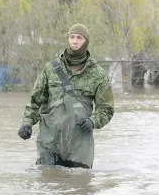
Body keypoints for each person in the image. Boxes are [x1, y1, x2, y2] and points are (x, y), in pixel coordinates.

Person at [17, 23, 114, 169]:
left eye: (79, 38)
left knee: (79, 186)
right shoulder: (50, 69)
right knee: (48, 183)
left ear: (86, 41)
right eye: (72, 37)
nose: (75, 41)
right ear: (67, 39)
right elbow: (35, 103)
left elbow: (106, 109)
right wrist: (26, 124)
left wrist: (93, 122)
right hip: (50, 142)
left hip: (79, 144)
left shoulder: (98, 74)